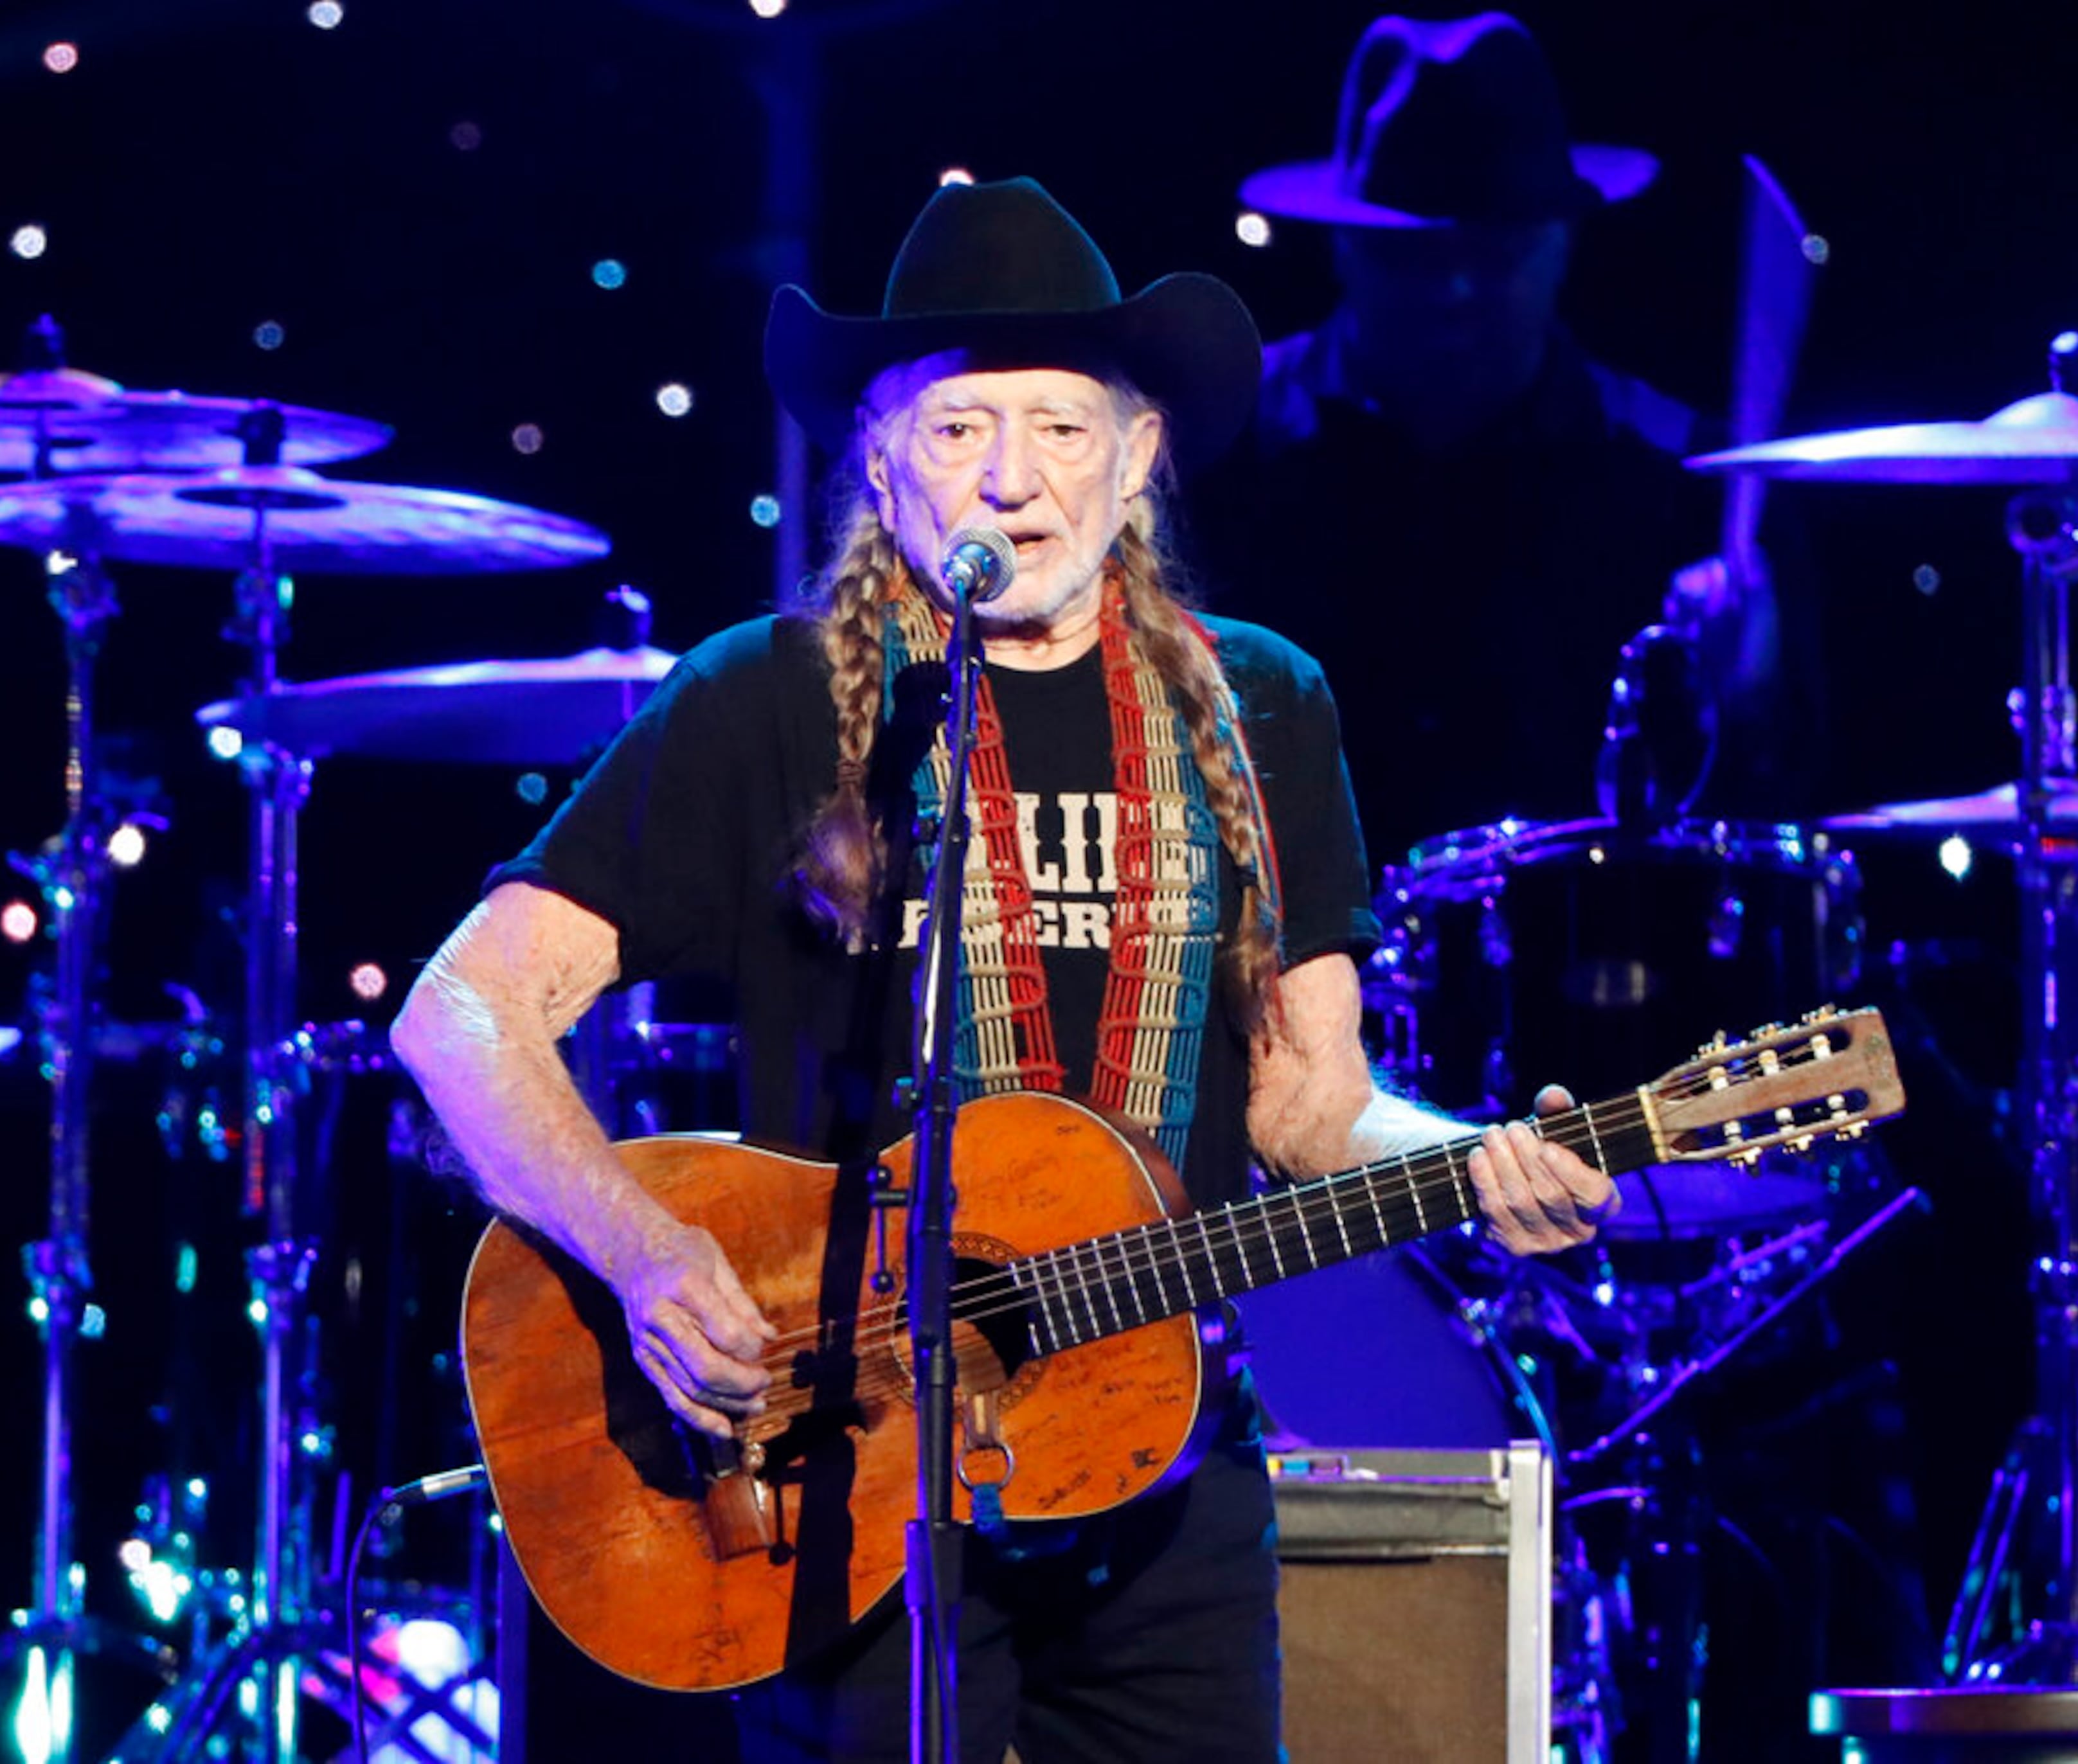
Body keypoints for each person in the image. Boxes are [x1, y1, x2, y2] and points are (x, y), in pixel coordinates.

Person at [390, 175, 1616, 1763]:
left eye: (1060, 426)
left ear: (1141, 454)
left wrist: (1486, 1164)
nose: (1017, 483)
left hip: (1161, 1467)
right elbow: (462, 1013)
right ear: (883, 453)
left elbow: (1313, 1109)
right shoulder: (764, 703)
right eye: (963, 428)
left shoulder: (1262, 706)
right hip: (854, 1464)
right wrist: (638, 1253)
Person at [1191, 12, 1805, 867]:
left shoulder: (1678, 478)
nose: (1453, 286)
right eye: (1413, 254)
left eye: (1493, 251)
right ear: (1344, 247)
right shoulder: (1216, 453)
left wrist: (1747, 694)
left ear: (1564, 244)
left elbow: (1767, 837)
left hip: (1587, 982)